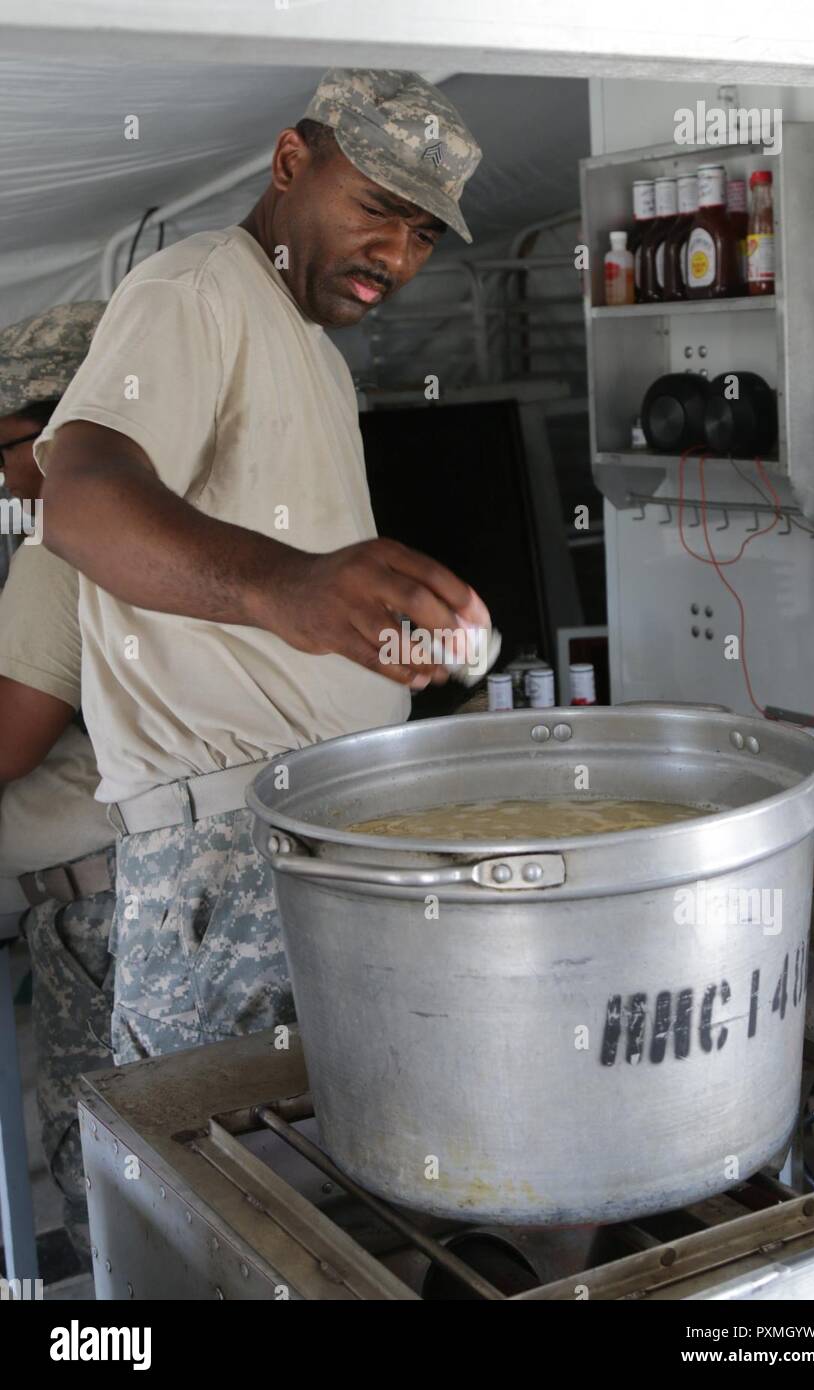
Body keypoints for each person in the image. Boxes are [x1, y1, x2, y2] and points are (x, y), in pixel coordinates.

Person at [34, 69, 485, 1066]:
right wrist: (288, 587)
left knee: (333, 1190)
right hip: (226, 860)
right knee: (232, 1202)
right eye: (376, 209)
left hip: (317, 834)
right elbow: (79, 497)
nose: (396, 255)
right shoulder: (197, 286)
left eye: (420, 234)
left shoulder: (312, 346)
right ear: (291, 162)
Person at [0, 300, 115, 1265]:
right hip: (221, 892)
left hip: (108, 924)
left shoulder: (61, 541)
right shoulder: (213, 513)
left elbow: (11, 743)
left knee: (117, 1199)